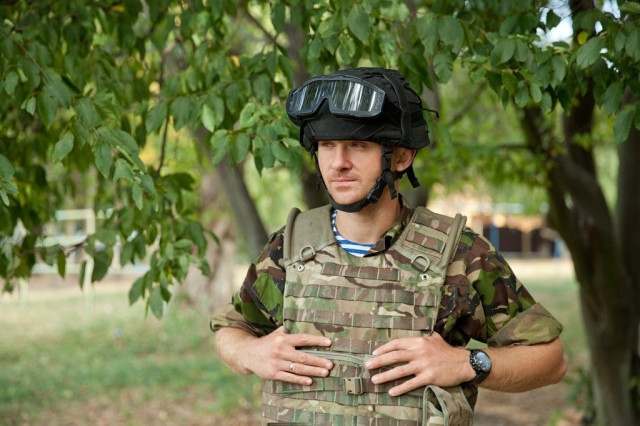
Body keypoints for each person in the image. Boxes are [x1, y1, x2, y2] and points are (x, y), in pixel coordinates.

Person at [210, 67, 567, 425]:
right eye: (327, 145)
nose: (338, 163)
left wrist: (466, 363)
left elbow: (551, 359)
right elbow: (230, 329)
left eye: (358, 145)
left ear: (402, 157)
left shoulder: (459, 254)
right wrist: (250, 352)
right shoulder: (289, 247)